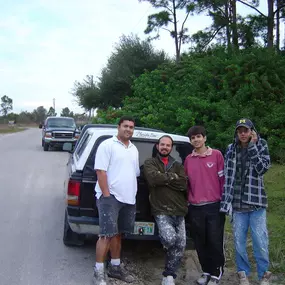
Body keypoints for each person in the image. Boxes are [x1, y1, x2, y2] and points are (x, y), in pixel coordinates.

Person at [220, 118, 271, 285]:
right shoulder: (230, 148)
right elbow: (227, 175)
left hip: (256, 202)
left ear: (252, 131)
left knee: (260, 241)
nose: (243, 133)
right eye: (240, 130)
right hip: (237, 203)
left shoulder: (261, 144)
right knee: (238, 241)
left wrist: (252, 147)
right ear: (237, 132)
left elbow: (262, 168)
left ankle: (263, 274)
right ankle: (243, 273)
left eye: (246, 130)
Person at [93, 116, 140, 285]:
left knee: (118, 234)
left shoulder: (133, 149)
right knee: (106, 234)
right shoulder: (107, 145)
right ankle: (98, 271)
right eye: (125, 126)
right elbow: (101, 172)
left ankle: (115, 267)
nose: (128, 129)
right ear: (118, 127)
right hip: (110, 197)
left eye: (131, 127)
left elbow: (134, 173)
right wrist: (106, 195)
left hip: (128, 198)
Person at [143, 135, 188, 285]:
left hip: (179, 210)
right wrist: (173, 178)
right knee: (170, 239)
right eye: (162, 144)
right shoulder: (150, 162)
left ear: (171, 148)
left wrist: (165, 179)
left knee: (181, 244)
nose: (165, 147)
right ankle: (168, 270)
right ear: (157, 146)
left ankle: (169, 275)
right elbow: (153, 179)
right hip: (161, 209)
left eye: (168, 145)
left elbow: (184, 184)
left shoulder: (178, 165)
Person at [184, 126, 225, 285]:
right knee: (200, 242)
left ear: (205, 138)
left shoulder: (216, 155)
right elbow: (187, 183)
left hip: (214, 206)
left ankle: (216, 273)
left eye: (198, 136)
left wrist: (224, 202)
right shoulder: (189, 159)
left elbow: (223, 181)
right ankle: (206, 271)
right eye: (193, 138)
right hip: (195, 207)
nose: (196, 140)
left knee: (214, 241)